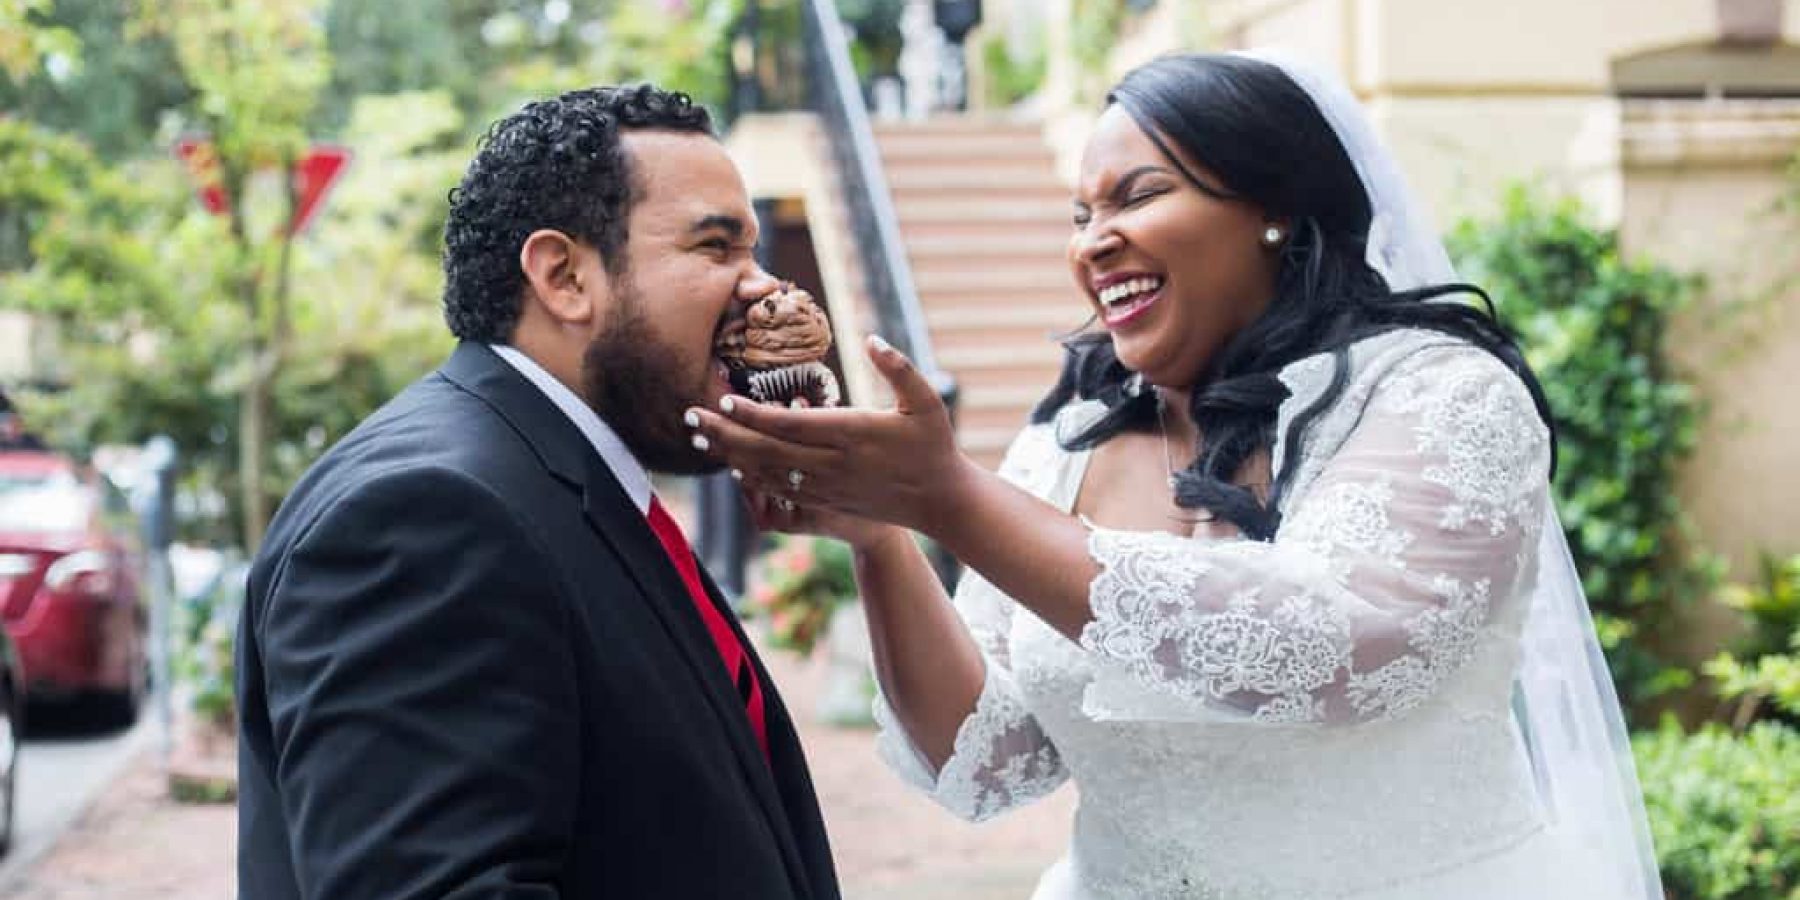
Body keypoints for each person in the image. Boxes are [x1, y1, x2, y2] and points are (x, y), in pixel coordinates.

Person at [689, 51, 1662, 899]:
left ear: (1275, 209)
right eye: (1080, 213)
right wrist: (880, 532)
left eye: (1139, 195)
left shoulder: (1439, 394)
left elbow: (1331, 646)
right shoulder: (1067, 444)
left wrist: (949, 496)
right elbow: (983, 760)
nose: (1091, 240)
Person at [237, 85, 840, 900]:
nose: (763, 288)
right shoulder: (426, 518)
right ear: (563, 276)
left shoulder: (560, 476)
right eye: (716, 248)